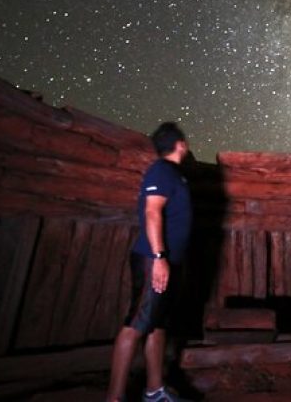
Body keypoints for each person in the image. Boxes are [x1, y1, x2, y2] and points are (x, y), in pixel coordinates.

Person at [107, 122, 193, 402]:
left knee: (157, 325)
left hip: (169, 261)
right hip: (153, 259)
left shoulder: (176, 175)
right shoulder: (162, 170)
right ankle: (114, 398)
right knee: (137, 323)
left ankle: (154, 391)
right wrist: (158, 258)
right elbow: (152, 212)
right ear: (180, 144)